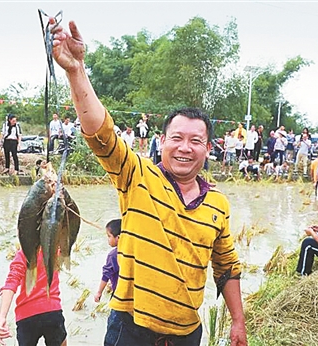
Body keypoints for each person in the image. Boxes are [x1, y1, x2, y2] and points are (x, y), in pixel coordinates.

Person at [51, 18, 247, 346]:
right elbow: (101, 135)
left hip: (187, 332)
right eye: (177, 138)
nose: (185, 148)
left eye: (196, 141)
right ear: (162, 141)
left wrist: (238, 321)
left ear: (208, 148)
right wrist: (76, 71)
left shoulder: (218, 204)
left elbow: (226, 266)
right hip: (130, 329)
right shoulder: (137, 175)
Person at [0, 248, 67, 346]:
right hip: (52, 311)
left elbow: (11, 282)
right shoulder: (54, 248)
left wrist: (2, 317)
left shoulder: (23, 253)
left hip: (26, 317)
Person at [94, 219, 122, 303]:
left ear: (118, 238)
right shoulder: (131, 253)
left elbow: (106, 275)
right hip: (132, 295)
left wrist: (99, 292)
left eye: (109, 236)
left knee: (115, 315)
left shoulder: (113, 255)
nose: (108, 239)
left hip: (118, 295)